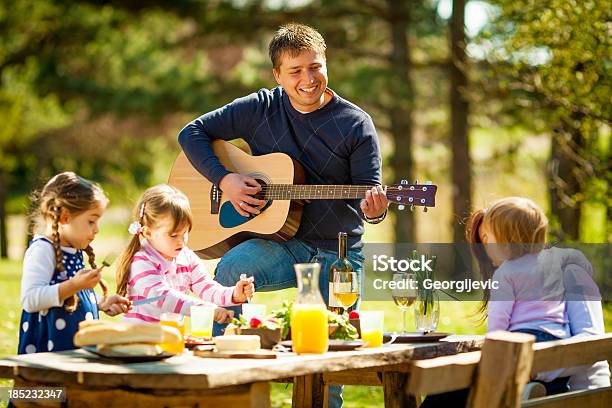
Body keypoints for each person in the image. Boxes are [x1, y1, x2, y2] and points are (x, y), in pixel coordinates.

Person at [178, 23, 388, 407]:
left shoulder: (355, 124)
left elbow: (368, 197)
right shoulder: (260, 107)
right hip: (281, 242)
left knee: (326, 361)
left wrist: (375, 212)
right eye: (296, 71)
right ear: (277, 75)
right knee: (228, 273)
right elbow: (192, 132)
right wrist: (225, 180)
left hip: (337, 253)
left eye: (316, 66)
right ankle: (224, 391)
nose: (309, 79)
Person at [18, 172, 131, 354]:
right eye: (91, 221)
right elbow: (30, 299)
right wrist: (74, 285)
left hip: (75, 353)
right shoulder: (43, 250)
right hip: (48, 357)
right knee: (51, 385)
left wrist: (100, 304)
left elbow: (69, 302)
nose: (97, 229)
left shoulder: (74, 251)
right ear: (64, 218)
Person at [115, 184, 254, 324]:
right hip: (140, 339)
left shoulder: (186, 256)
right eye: (174, 235)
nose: (182, 241)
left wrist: (234, 294)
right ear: (148, 233)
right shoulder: (142, 262)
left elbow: (207, 288)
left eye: (185, 233)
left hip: (170, 337)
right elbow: (164, 298)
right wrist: (207, 310)